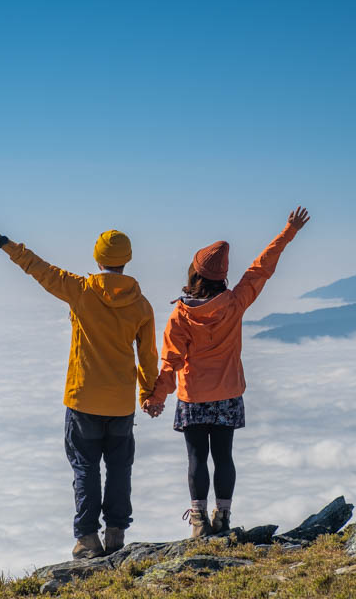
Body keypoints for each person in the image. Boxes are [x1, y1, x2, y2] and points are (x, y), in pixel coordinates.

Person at [0, 209, 159, 559]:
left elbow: (39, 269)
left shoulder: (80, 290)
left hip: (83, 400)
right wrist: (149, 393)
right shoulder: (141, 305)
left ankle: (87, 539)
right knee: (119, 468)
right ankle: (116, 532)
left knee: (85, 469)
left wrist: (1, 241)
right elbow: (148, 356)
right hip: (121, 405)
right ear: (127, 261)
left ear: (98, 258)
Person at [142, 207, 310, 537]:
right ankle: (223, 517)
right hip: (228, 395)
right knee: (224, 458)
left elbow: (170, 362)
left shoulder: (180, 316)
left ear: (194, 274)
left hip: (193, 398)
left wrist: (156, 397)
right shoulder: (235, 303)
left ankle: (198, 521)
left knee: (196, 459)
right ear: (221, 277)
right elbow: (262, 268)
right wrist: (289, 231)